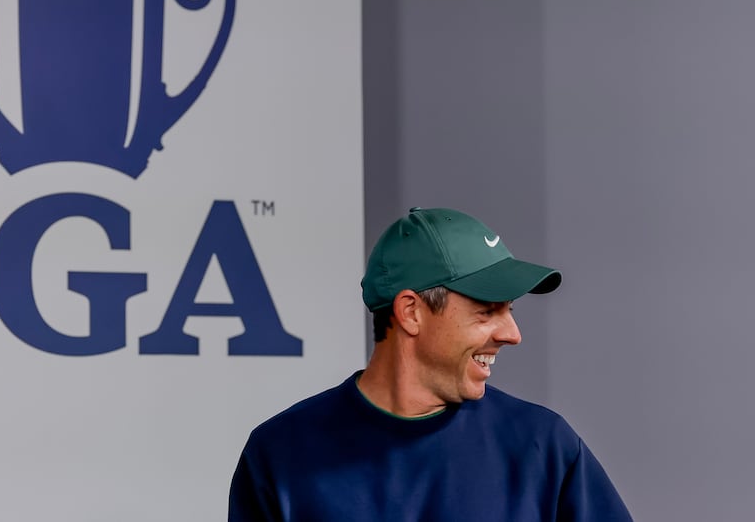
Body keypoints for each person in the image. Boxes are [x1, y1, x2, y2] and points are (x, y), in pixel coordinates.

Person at [228, 207, 632, 520]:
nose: (512, 333)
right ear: (411, 312)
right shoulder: (281, 453)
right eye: (487, 310)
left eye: (510, 310)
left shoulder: (544, 448)